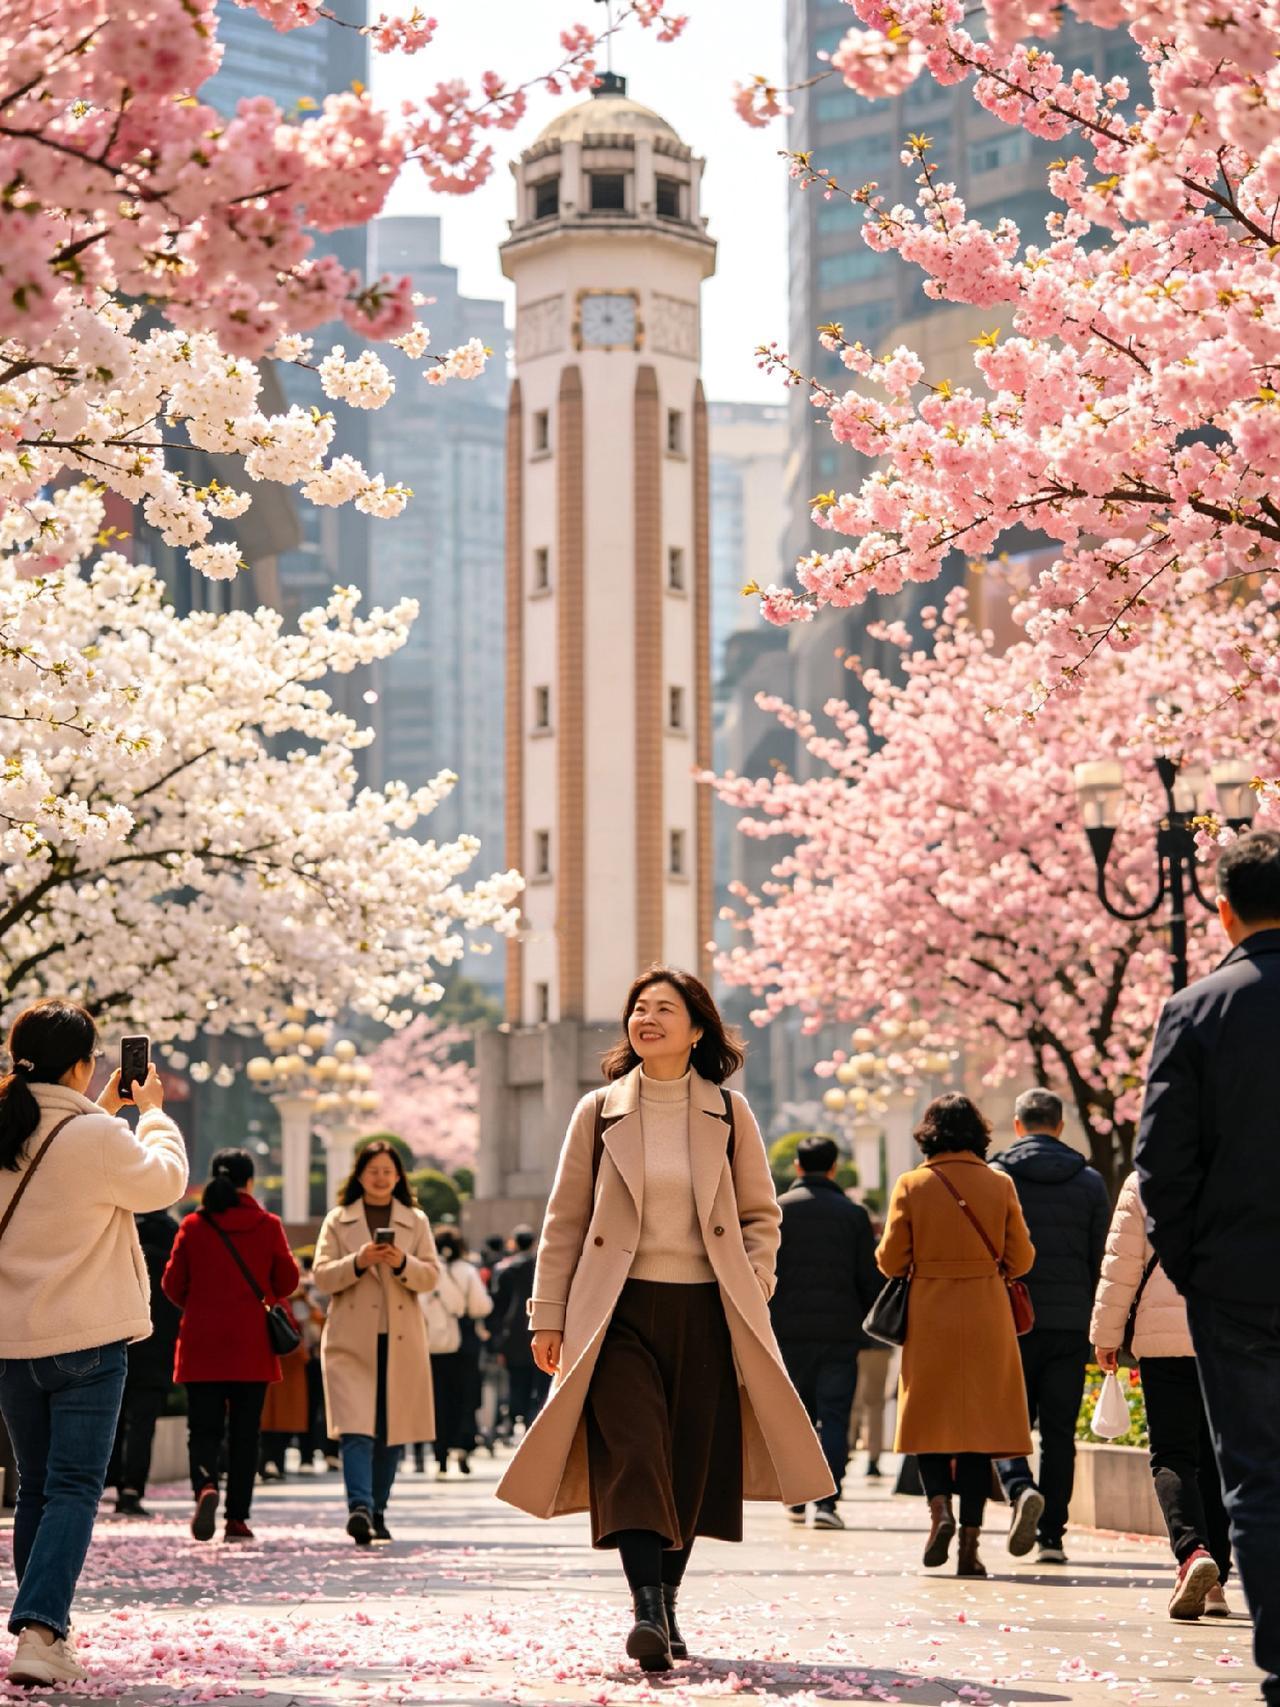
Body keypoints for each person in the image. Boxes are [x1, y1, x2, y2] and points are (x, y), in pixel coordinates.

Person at [496, 965, 832, 1674]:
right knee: (635, 1452)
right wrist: (546, 1315)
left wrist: (754, 1280)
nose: (646, 1019)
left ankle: (669, 1604)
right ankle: (647, 1605)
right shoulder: (598, 1111)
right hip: (614, 1312)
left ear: (697, 1027)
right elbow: (564, 1223)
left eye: (663, 1009)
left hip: (708, 1309)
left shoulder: (731, 1113)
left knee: (688, 1463)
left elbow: (760, 1217)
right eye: (638, 1008)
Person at [0, 999, 188, 1688]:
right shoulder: (99, 1139)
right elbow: (163, 1180)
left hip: (14, 1341)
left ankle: (40, 1626)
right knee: (76, 1488)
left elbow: (55, 1174)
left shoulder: (8, 1126)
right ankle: (42, 1630)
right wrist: (155, 1112)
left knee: (41, 1491)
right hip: (88, 1340)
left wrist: (99, 1110)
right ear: (82, 1064)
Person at [1136, 828, 1280, 1705]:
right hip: (1230, 1278)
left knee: (1258, 1477)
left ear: (1223, 909)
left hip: (1237, 1287)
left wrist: (1197, 1268)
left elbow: (1160, 1165)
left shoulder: (1195, 1009)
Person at [877, 1092, 1036, 1579]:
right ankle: (970, 1548)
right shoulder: (1000, 1184)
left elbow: (889, 1260)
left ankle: (939, 1512)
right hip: (988, 1315)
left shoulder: (912, 1184)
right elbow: (1022, 1259)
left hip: (931, 1314)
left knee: (930, 1423)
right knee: (977, 1433)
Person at [1091, 1171, 1232, 1620]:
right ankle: (1217, 1587)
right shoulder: (1249, 1170)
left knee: (1173, 1454)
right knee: (1219, 1457)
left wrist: (1106, 1336)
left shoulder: (1144, 1183)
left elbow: (1121, 1265)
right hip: (1228, 1338)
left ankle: (1193, 1553)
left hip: (1162, 1342)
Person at [990, 1088, 1109, 1564]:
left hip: (1009, 1320)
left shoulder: (998, 1178)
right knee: (1059, 1432)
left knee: (1007, 1420)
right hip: (1070, 1320)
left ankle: (1020, 1487)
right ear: (1059, 1126)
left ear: (1018, 1125)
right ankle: (1053, 1536)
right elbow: (1101, 1257)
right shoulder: (1090, 1182)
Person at [162, 1149, 299, 1543]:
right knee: (244, 1433)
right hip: (251, 1346)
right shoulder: (268, 1224)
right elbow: (287, 1281)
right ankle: (237, 1518)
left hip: (201, 1342)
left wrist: (203, 1303)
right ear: (250, 1182)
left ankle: (205, 1484)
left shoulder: (193, 1225)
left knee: (202, 1429)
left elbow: (172, 1286)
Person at [313, 1140, 439, 1545]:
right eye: (373, 1171)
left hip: (400, 1342)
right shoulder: (338, 1219)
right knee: (355, 1429)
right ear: (359, 1175)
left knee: (391, 1432)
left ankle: (378, 1510)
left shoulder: (415, 1221)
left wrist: (401, 1261)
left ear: (398, 1176)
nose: (381, 1178)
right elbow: (322, 1276)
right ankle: (360, 1507)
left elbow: (431, 1277)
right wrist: (359, 1261)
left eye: (388, 1171)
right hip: (351, 1341)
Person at [770, 1135, 882, 1529]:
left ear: (798, 1167)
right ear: (833, 1168)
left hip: (787, 1333)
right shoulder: (852, 1215)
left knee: (797, 1416)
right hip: (840, 1333)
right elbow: (869, 1279)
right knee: (834, 1416)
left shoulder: (778, 1211)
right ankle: (827, 1502)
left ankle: (798, 1497)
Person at [108, 1206, 182, 1517]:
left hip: (117, 1339)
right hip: (157, 1346)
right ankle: (132, 1489)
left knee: (111, 1417)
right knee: (143, 1423)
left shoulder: (118, 1228)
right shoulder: (173, 1239)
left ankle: (108, 1480)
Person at [425, 1226, 493, 1477]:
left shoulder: (430, 1274)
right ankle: (463, 1445)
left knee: (439, 1400)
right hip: (465, 1341)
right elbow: (481, 1306)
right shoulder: (467, 1271)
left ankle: (440, 1454)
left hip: (435, 1344)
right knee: (465, 1398)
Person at [490, 1225, 549, 1434]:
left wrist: (496, 1343)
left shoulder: (505, 1270)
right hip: (541, 1332)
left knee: (518, 1384)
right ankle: (534, 1424)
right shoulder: (541, 1267)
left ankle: (522, 1422)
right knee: (541, 1385)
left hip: (512, 1338)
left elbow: (496, 1309)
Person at [259, 1285, 315, 1479]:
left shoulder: (293, 1301)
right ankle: (272, 1463)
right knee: (274, 1423)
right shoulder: (285, 1301)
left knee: (269, 1423)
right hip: (285, 1363)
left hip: (278, 1365)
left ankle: (269, 1463)